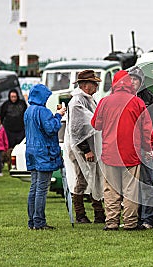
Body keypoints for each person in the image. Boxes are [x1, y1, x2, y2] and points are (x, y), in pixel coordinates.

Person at [91, 70, 153, 231]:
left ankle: (111, 222)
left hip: (110, 152)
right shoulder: (137, 102)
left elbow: (96, 124)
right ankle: (130, 223)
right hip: (131, 153)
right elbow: (147, 129)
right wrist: (147, 148)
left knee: (110, 190)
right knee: (130, 190)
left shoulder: (105, 101)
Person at [64, 70, 105, 224]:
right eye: (94, 83)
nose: (96, 86)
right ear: (86, 85)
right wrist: (86, 149)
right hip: (82, 148)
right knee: (83, 178)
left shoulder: (88, 99)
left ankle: (98, 213)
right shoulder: (76, 102)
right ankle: (82, 213)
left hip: (89, 146)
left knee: (93, 177)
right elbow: (76, 130)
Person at [25, 84, 66, 230]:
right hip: (44, 152)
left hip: (31, 151)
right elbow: (51, 128)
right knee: (42, 188)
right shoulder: (43, 111)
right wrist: (58, 115)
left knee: (34, 187)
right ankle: (39, 221)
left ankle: (32, 221)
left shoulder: (28, 111)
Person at [129, 66, 153, 229]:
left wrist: (150, 146)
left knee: (147, 182)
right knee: (131, 184)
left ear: (141, 82)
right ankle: (135, 216)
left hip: (146, 147)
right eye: (131, 79)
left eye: (136, 79)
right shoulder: (124, 98)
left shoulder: (151, 99)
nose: (133, 82)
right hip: (129, 147)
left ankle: (149, 218)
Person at [0, 89, 27, 171]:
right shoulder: (6, 105)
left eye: (15, 96)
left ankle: (21, 164)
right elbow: (1, 116)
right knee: (9, 149)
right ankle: (9, 164)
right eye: (12, 97)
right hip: (9, 130)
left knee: (20, 147)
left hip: (21, 130)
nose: (13, 98)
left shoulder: (22, 104)